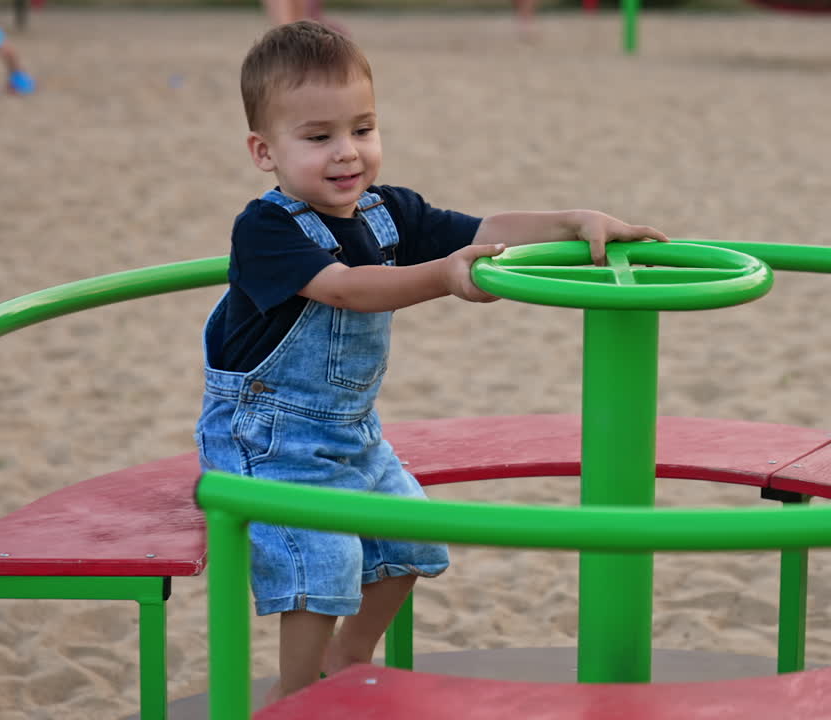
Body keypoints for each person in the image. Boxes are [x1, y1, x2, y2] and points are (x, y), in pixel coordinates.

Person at [195, 20, 667, 704]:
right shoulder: (266, 229)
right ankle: (294, 699)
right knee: (325, 563)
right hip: (267, 442)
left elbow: (487, 231)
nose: (347, 153)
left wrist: (575, 221)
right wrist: (443, 277)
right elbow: (346, 290)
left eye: (362, 129)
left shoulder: (389, 213)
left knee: (409, 545)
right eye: (318, 136)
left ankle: (348, 662)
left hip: (351, 436)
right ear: (263, 151)